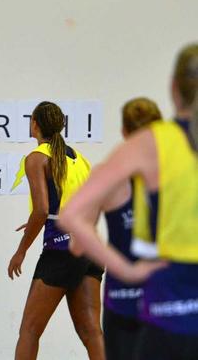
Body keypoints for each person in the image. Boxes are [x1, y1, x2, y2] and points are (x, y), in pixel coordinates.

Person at [59, 43, 198, 360]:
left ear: (174, 88)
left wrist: (126, 269)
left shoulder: (149, 146)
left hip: (151, 302)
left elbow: (73, 221)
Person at [7, 101, 104, 360]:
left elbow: (42, 210)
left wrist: (21, 251)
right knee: (92, 331)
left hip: (61, 249)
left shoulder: (37, 157)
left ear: (35, 124)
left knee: (29, 330)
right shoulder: (79, 158)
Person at [100, 98, 161, 360]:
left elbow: (74, 226)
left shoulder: (110, 177)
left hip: (121, 297)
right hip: (163, 301)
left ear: (124, 132)